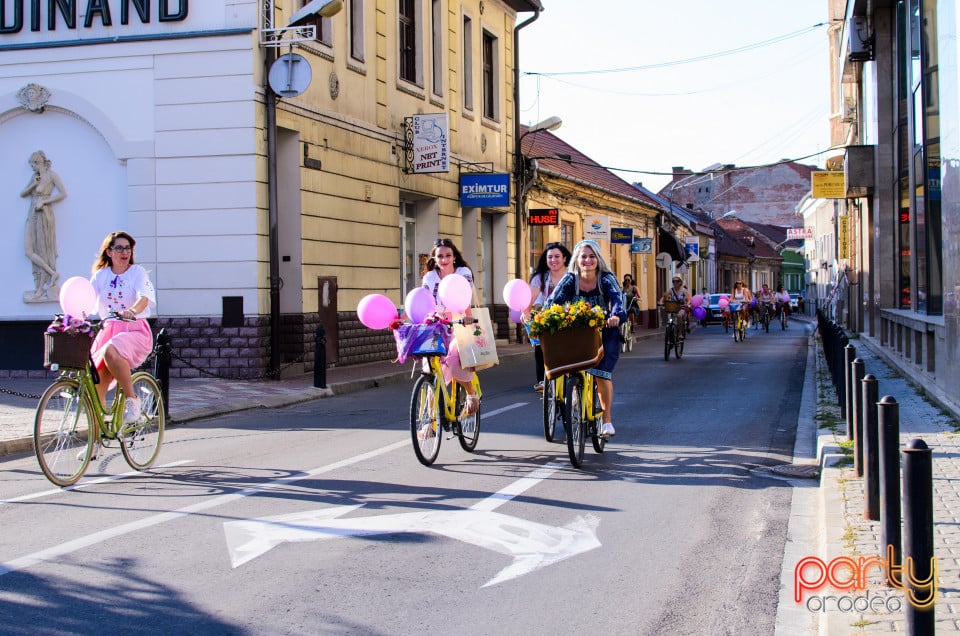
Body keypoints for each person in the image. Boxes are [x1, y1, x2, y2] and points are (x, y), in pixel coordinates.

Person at [546, 240, 624, 438]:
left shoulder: (606, 278)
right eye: (583, 256)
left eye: (592, 256)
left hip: (604, 330)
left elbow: (617, 300)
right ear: (576, 260)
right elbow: (553, 301)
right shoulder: (570, 279)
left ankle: (606, 420)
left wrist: (615, 316)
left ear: (598, 259)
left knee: (601, 373)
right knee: (569, 363)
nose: (587, 260)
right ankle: (574, 392)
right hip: (577, 331)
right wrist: (546, 316)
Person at [89, 231, 157, 425]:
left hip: (133, 330)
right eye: (119, 248)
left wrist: (132, 310)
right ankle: (97, 440)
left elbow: (144, 297)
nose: (124, 252)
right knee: (96, 389)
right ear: (109, 252)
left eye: (128, 248)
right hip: (108, 330)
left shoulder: (137, 273)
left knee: (110, 349)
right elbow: (86, 301)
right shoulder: (100, 276)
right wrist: (72, 319)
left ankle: (132, 400)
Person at [421, 238, 479, 420]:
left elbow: (466, 296)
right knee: (430, 371)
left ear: (454, 257)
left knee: (454, 359)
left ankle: (471, 392)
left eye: (448, 255)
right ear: (434, 258)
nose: (444, 259)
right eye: (440, 256)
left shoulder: (463, 272)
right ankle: (429, 423)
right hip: (436, 324)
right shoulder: (429, 277)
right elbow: (422, 300)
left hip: (460, 321)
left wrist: (467, 317)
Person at [524, 242, 571, 392]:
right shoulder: (540, 277)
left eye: (557, 256)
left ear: (564, 258)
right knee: (541, 345)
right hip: (547, 316)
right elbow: (531, 299)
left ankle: (572, 378)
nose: (553, 260)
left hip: (569, 316)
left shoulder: (572, 275)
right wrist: (529, 313)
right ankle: (542, 380)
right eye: (550, 257)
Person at [20, 150, 67, 300]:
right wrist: (33, 185)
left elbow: (62, 193)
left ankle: (40, 289)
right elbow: (23, 193)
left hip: (44, 214)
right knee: (29, 250)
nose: (32, 167)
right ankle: (52, 273)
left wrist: (45, 201)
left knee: (43, 250)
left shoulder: (51, 175)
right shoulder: (35, 177)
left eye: (33, 164)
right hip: (32, 212)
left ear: (37, 162)